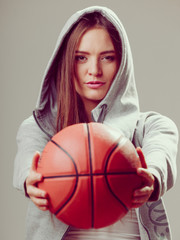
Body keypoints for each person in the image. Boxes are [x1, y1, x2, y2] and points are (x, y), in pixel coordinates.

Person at [13, 6, 178, 240]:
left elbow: (161, 151)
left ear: (122, 64)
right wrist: (30, 179)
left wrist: (151, 175)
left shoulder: (151, 127)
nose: (94, 70)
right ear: (66, 62)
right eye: (81, 58)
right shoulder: (39, 128)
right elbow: (27, 162)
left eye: (107, 58)